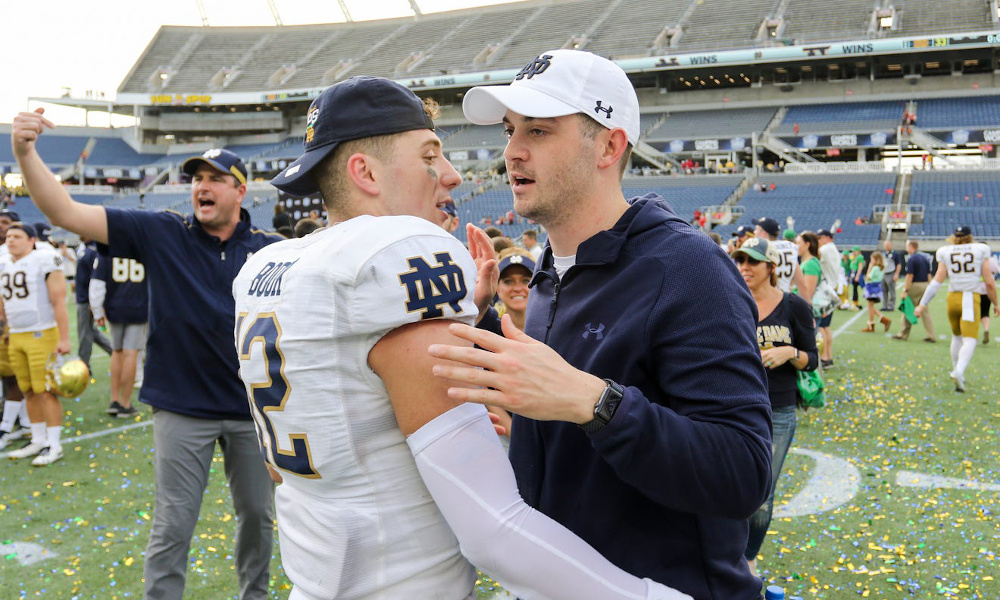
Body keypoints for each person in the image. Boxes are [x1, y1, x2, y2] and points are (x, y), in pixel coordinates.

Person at [242, 76, 688, 600]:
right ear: (365, 172)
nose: (452, 176)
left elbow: (324, 433)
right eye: (430, 155)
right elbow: (493, 529)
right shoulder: (387, 263)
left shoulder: (274, 270)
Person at [434, 49, 772, 599]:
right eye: (509, 130)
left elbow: (742, 472)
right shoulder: (546, 271)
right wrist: (480, 321)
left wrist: (596, 403)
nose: (512, 152)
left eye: (539, 131)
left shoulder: (685, 266)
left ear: (610, 145)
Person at [12, 109, 281, 600]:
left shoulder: (272, 251)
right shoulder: (164, 232)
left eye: (216, 179)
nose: (203, 185)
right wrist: (26, 155)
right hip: (181, 406)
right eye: (197, 177)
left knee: (259, 519)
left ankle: (255, 595)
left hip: (251, 412)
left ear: (241, 191)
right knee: (174, 523)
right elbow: (66, 214)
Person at [731, 237, 818, 576]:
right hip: (736, 406)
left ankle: (748, 557)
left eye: (752, 262)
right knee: (727, 481)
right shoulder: (733, 300)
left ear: (771, 267)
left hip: (778, 411)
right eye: (740, 261)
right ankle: (726, 549)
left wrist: (789, 353)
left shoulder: (794, 306)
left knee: (761, 493)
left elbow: (812, 360)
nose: (744, 268)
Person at [0, 223, 72, 465]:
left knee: (46, 390)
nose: (10, 240)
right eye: (8, 236)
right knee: (27, 389)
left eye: (17, 236)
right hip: (17, 334)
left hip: (41, 332)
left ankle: (54, 444)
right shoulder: (4, 261)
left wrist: (63, 337)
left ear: (31, 240)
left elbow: (59, 301)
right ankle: (38, 439)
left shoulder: (44, 259)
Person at [915, 226, 998, 392]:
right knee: (970, 339)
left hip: (952, 297)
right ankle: (959, 371)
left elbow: (937, 281)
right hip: (969, 298)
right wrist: (996, 303)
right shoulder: (980, 250)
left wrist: (922, 303)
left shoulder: (946, 251)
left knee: (957, 336)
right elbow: (989, 282)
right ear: (970, 237)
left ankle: (956, 369)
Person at [89, 249, 148, 418]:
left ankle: (114, 400)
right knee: (130, 354)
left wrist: (97, 310)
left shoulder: (107, 249)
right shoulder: (145, 244)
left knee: (117, 352)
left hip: (114, 306)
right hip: (138, 307)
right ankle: (125, 403)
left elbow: (97, 283)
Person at [0, 209, 33, 449]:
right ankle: (24, 422)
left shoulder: (27, 256)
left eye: (7, 224)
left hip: (15, 321)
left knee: (14, 375)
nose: (4, 229)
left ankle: (16, 424)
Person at [74, 237, 113, 371]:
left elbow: (96, 277)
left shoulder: (95, 249)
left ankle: (84, 366)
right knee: (92, 332)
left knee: (84, 333)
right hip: (81, 296)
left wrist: (94, 302)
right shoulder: (83, 247)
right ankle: (116, 352)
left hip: (86, 299)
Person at [754, 217, 808, 301]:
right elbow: (802, 285)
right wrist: (808, 308)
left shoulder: (761, 249)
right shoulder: (790, 247)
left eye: (756, 230)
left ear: (764, 233)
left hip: (766, 300)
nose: (754, 232)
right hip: (786, 299)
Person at [893, 239, 937, 342]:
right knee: (925, 311)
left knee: (908, 309)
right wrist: (929, 287)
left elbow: (909, 275)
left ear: (911, 247)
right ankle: (931, 335)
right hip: (925, 285)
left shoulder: (912, 259)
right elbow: (928, 275)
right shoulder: (924, 258)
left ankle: (903, 334)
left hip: (915, 285)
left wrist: (905, 290)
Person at [816, 229, 844, 368]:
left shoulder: (825, 249)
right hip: (832, 288)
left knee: (821, 326)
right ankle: (829, 356)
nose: (818, 241)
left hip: (824, 290)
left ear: (827, 238)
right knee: (826, 327)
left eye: (820, 238)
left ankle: (825, 357)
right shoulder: (834, 249)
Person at [861, 251, 891, 333]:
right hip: (877, 288)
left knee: (870, 306)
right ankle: (875, 322)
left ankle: (876, 323)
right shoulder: (881, 268)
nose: (871, 261)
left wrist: (869, 268)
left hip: (872, 288)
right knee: (871, 306)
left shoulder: (874, 268)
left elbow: (868, 277)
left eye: (872, 259)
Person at [881, 240, 903, 311]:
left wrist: (896, 274)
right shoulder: (883, 253)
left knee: (892, 290)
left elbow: (899, 264)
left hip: (891, 273)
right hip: (884, 273)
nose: (886, 246)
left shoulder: (895, 254)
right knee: (884, 290)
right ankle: (884, 305)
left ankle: (891, 305)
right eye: (885, 245)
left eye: (888, 245)